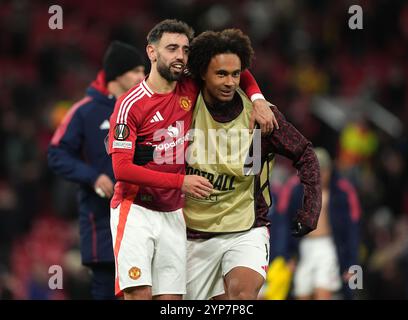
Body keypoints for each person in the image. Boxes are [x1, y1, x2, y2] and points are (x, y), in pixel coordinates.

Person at [107, 19, 276, 300]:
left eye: (185, 50)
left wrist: (257, 99)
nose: (180, 56)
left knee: (172, 301)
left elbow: (236, 70)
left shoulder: (188, 85)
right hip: (136, 209)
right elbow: (121, 169)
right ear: (151, 52)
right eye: (172, 48)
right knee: (139, 295)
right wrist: (180, 181)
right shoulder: (130, 104)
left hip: (174, 214)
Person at [183, 29, 322, 300]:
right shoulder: (183, 105)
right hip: (193, 234)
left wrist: (310, 209)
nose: (230, 82)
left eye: (236, 75)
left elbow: (305, 153)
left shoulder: (262, 116)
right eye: (221, 74)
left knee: (241, 296)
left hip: (247, 228)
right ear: (202, 73)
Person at [48, 41, 146, 300]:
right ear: (116, 74)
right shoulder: (84, 111)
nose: (142, 77)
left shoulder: (145, 107)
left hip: (142, 216)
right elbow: (56, 153)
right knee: (105, 290)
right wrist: (93, 177)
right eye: (136, 71)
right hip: (101, 219)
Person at [276, 147, 360, 299]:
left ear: (330, 169)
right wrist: (286, 255)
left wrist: (352, 263)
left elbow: (352, 228)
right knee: (302, 292)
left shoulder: (343, 190)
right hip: (303, 247)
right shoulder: (294, 188)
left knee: (323, 292)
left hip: (328, 247)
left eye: (323, 170)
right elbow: (283, 222)